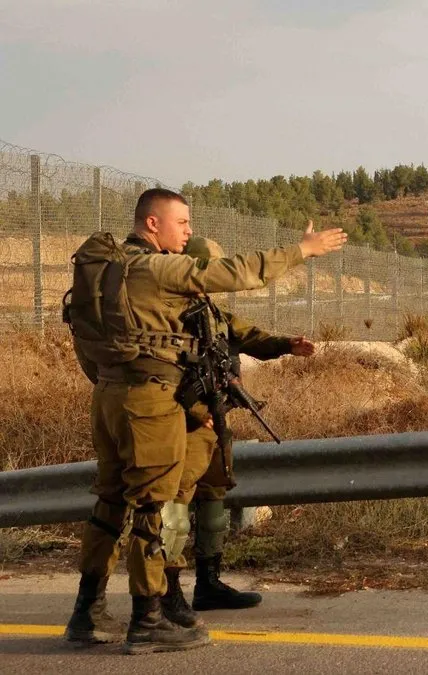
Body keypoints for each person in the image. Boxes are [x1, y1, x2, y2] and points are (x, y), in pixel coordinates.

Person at [63, 188, 346, 654]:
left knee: (110, 502)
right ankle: (148, 620)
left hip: (112, 396)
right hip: (151, 401)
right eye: (182, 222)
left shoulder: (110, 270)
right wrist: (302, 250)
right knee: (154, 508)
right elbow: (235, 272)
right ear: (152, 223)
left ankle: (86, 612)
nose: (188, 231)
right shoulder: (154, 269)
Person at [157, 236, 318, 629]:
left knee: (214, 495)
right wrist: (196, 411)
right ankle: (167, 591)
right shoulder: (165, 313)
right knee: (175, 505)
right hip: (184, 424)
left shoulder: (212, 311)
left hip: (215, 419)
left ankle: (208, 584)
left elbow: (246, 335)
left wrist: (286, 345)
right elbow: (159, 373)